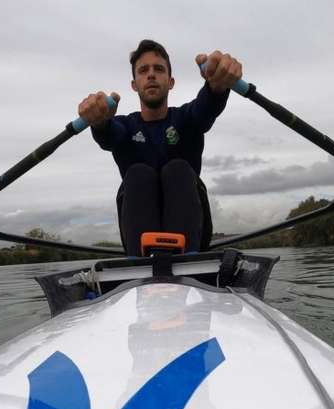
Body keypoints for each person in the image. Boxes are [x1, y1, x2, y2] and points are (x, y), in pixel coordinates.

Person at [78, 40, 242, 256]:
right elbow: (109, 134)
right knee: (138, 173)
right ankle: (138, 263)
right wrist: (98, 122)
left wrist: (217, 87)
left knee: (177, 169)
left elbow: (206, 106)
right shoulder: (124, 127)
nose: (151, 75)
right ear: (134, 84)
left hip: (193, 236)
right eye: (143, 70)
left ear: (171, 81)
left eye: (159, 69)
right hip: (139, 239)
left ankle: (189, 260)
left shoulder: (187, 118)